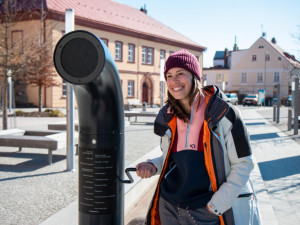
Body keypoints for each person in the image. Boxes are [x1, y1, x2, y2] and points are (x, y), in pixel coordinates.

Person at [136, 49, 262, 225]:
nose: (174, 81)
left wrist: (216, 206)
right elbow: (171, 160)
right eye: (169, 75)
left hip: (207, 210)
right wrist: (152, 165)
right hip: (169, 207)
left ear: (195, 77)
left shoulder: (224, 114)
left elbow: (244, 164)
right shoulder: (169, 116)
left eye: (181, 73)